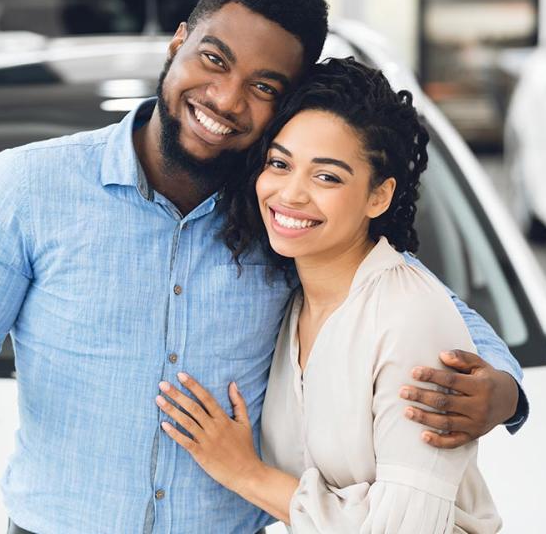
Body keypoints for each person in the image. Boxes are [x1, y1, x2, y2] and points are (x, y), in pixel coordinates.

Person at [0, 0, 526, 533]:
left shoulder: (287, 215)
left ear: (286, 104)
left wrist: (503, 392)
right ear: (178, 43)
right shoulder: (27, 185)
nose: (225, 99)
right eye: (214, 60)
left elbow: (424, 307)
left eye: (264, 87)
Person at [156, 57, 501, 532]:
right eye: (279, 163)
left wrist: (247, 474)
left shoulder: (410, 319)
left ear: (378, 197)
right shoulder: (291, 302)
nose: (290, 194)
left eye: (327, 176)